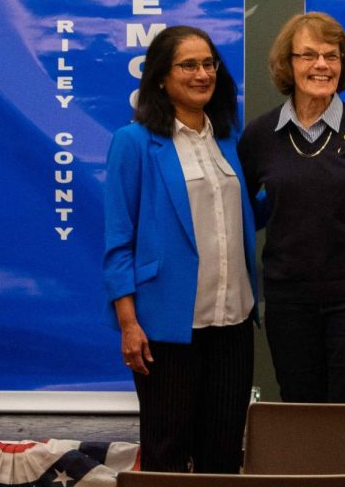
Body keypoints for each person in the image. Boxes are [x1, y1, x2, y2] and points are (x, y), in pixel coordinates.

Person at [102, 25, 257, 473]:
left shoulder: (229, 138)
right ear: (160, 77)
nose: (202, 73)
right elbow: (118, 243)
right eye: (188, 64)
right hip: (166, 328)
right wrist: (129, 323)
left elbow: (246, 215)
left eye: (209, 63)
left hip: (234, 322)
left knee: (224, 453)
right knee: (166, 452)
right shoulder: (132, 143)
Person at [238, 11, 345, 403]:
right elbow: (237, 217)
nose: (321, 65)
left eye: (331, 56)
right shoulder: (260, 136)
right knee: (301, 422)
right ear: (288, 64)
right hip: (288, 307)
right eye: (309, 55)